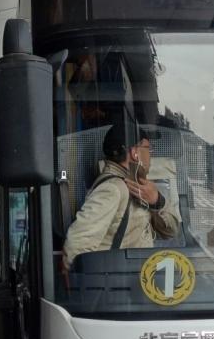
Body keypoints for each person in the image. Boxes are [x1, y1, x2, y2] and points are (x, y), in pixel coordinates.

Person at [62, 112, 181, 270]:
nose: (150, 155)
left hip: (133, 280)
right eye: (148, 149)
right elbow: (76, 245)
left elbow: (170, 232)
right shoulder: (113, 189)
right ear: (135, 153)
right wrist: (91, 283)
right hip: (119, 281)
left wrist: (157, 201)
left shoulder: (135, 185)